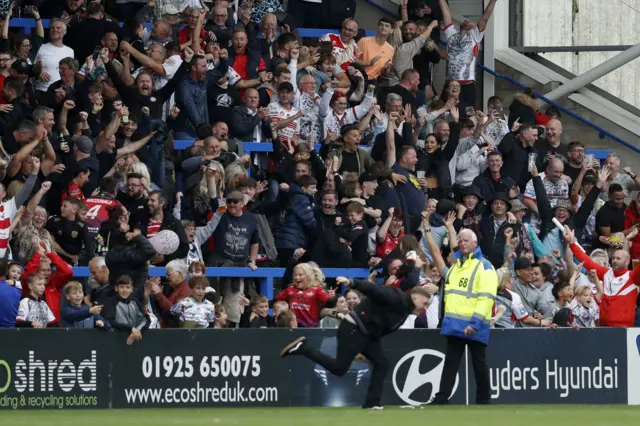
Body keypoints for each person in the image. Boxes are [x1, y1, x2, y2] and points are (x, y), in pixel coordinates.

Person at [280, 276, 432, 409]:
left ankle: (372, 403)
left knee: (382, 363)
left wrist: (362, 349)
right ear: (415, 297)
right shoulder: (396, 297)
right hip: (353, 329)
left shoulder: (405, 308)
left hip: (366, 335)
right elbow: (373, 289)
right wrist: (351, 282)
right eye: (425, 304)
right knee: (339, 369)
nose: (425, 309)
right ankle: (304, 348)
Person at [433, 229, 497, 405]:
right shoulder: (457, 266)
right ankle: (442, 398)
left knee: (479, 364)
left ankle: (484, 400)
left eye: (466, 240)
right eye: (460, 240)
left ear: (475, 244)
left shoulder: (484, 266)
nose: (462, 243)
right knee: (451, 364)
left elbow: (487, 298)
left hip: (474, 325)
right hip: (455, 323)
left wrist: (475, 324)